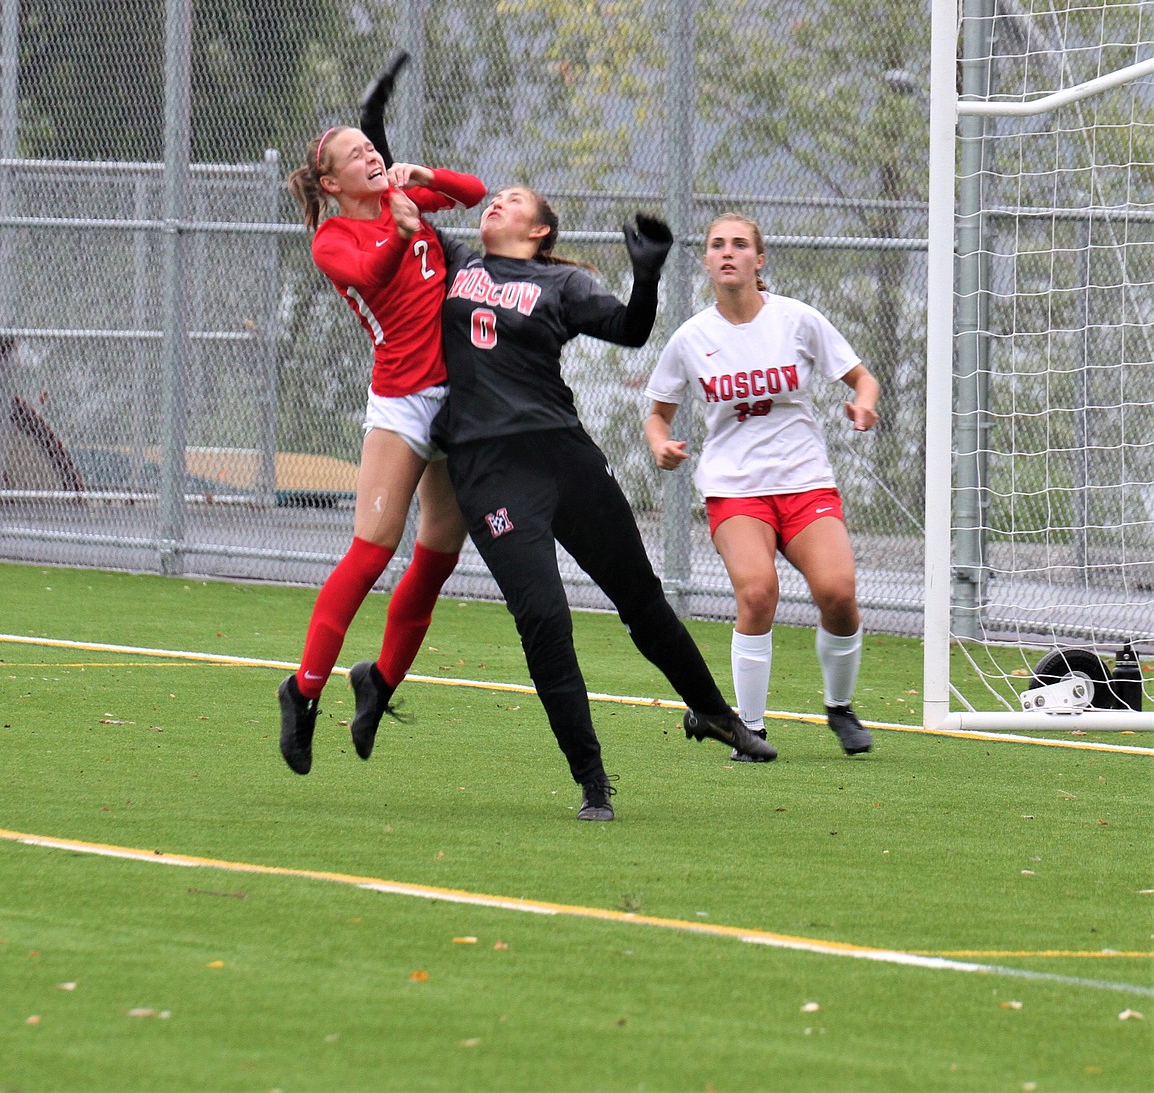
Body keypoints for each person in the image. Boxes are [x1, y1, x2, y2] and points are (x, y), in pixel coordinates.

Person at [433, 186, 774, 823]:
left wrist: (646, 274)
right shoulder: (456, 262)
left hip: (564, 458)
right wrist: (377, 127)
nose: (497, 203)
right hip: (490, 471)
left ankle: (720, 716)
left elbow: (630, 330)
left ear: (539, 232)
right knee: (545, 620)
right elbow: (387, 191)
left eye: (513, 200)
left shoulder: (558, 284)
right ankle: (593, 782)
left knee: (640, 600)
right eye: (495, 197)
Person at [276, 118, 486, 775]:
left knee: (438, 559)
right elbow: (369, 272)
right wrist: (398, 231)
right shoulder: (332, 237)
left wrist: (422, 179)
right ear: (332, 183)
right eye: (355, 155)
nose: (372, 157)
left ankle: (380, 681)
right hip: (402, 403)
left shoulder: (406, 201)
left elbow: (474, 192)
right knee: (371, 551)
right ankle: (302, 691)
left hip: (456, 398)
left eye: (373, 148)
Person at [644, 212, 879, 758]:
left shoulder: (796, 320)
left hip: (804, 483)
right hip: (735, 489)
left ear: (759, 259)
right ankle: (749, 729)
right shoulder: (691, 338)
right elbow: (658, 413)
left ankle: (839, 708)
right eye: (717, 245)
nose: (728, 252)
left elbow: (862, 378)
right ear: (705, 261)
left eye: (740, 244)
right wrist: (660, 442)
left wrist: (863, 405)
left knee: (839, 595)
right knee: (756, 592)